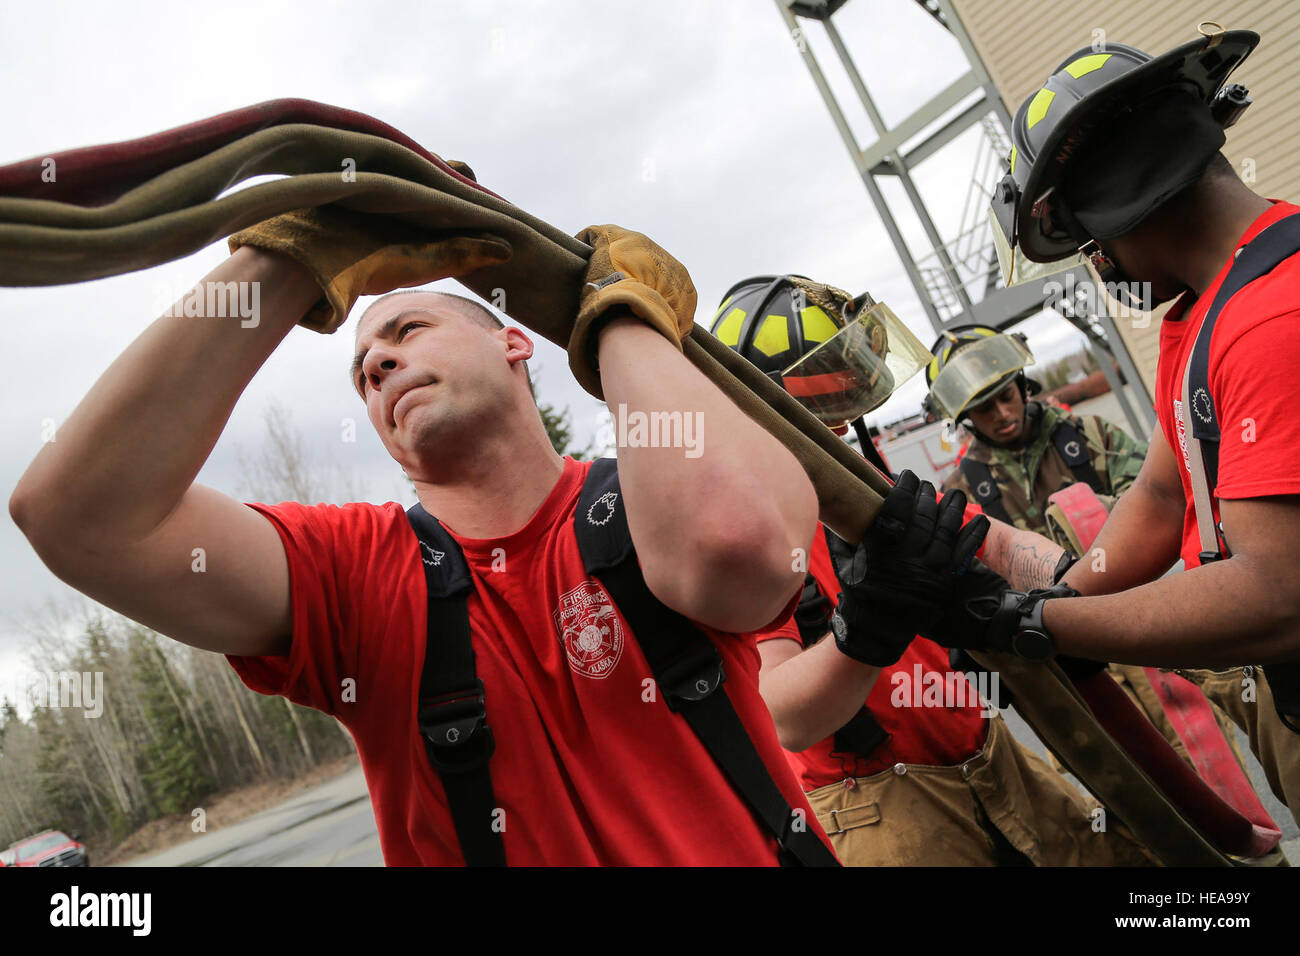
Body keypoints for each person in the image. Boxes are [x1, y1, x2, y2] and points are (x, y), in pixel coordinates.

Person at [9, 208, 838, 866]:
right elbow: (75, 516)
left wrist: (618, 316)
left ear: (514, 341)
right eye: (362, 368)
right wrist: (299, 254)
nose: (375, 363)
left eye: (407, 330)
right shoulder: (355, 572)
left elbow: (739, 549)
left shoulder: (652, 497)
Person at [941, 27, 1300, 821]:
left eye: (1088, 239)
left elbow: (1278, 594)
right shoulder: (1208, 313)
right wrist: (1056, 600)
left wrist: (1051, 627)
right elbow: (1164, 496)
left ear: (1121, 198)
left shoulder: (1273, 319)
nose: (1098, 261)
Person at [710, 274, 1154, 865]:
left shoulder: (871, 490)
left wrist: (1064, 598)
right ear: (768, 410)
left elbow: (1000, 544)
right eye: (827, 404)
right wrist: (867, 628)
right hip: (879, 803)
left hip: (990, 756)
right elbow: (784, 714)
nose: (841, 426)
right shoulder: (750, 535)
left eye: (846, 404)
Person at [927, 326, 1245, 772]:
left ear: (1022, 385)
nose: (1001, 414)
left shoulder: (1087, 436)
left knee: (1209, 760)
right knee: (1125, 788)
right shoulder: (962, 492)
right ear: (964, 418)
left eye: (1006, 396)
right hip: (1067, 665)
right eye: (983, 409)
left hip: (1142, 630)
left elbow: (1165, 505)